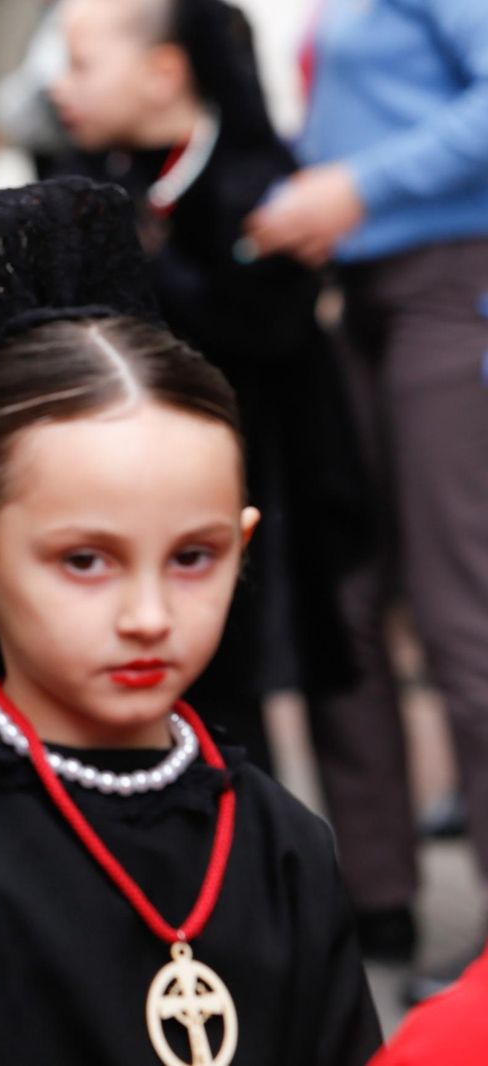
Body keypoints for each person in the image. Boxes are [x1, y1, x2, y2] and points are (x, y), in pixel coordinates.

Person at [0, 179, 380, 1065]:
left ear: (243, 546)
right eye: (86, 561)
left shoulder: (282, 841)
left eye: (193, 557)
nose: (148, 616)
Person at [47, 0, 369, 772]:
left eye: (83, 64)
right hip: (126, 496)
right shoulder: (85, 182)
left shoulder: (254, 183)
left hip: (267, 488)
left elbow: (265, 322)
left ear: (165, 74)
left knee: (255, 688)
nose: (60, 88)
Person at [244, 0, 488, 991]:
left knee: (458, 609)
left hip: (450, 281)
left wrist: (353, 186)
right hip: (355, 293)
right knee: (342, 592)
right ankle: (376, 903)